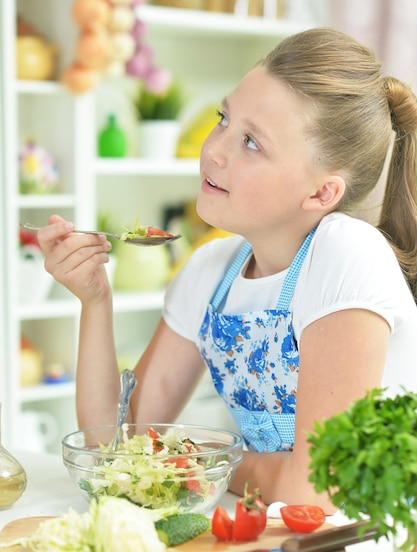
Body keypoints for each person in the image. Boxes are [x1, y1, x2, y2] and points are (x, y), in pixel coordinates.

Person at [37, 27, 417, 513]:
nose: (215, 149)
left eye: (252, 142)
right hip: (288, 537)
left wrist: (198, 457)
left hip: (381, 549)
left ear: (322, 194)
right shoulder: (210, 270)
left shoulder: (347, 255)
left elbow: (317, 489)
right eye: (224, 119)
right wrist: (95, 299)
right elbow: (114, 449)